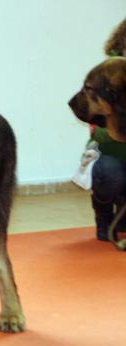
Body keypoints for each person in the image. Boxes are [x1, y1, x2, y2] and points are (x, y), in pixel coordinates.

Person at [89, 18, 126, 241]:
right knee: (110, 172)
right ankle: (103, 214)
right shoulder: (103, 78)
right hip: (110, 152)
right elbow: (96, 131)